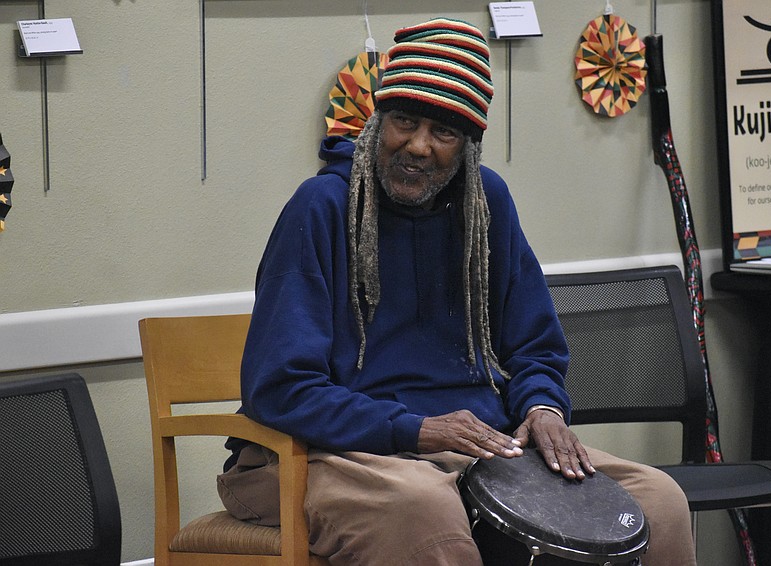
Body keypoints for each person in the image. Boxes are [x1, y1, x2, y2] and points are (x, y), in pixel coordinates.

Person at [218, 17, 697, 566]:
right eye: (404, 121)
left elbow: (534, 347)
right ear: (377, 121)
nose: (418, 146)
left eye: (443, 133)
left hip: (471, 448)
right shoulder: (321, 207)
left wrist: (543, 406)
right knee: (425, 514)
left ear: (468, 146)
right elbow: (278, 389)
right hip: (325, 452)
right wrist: (412, 428)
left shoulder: (485, 203)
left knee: (658, 503)